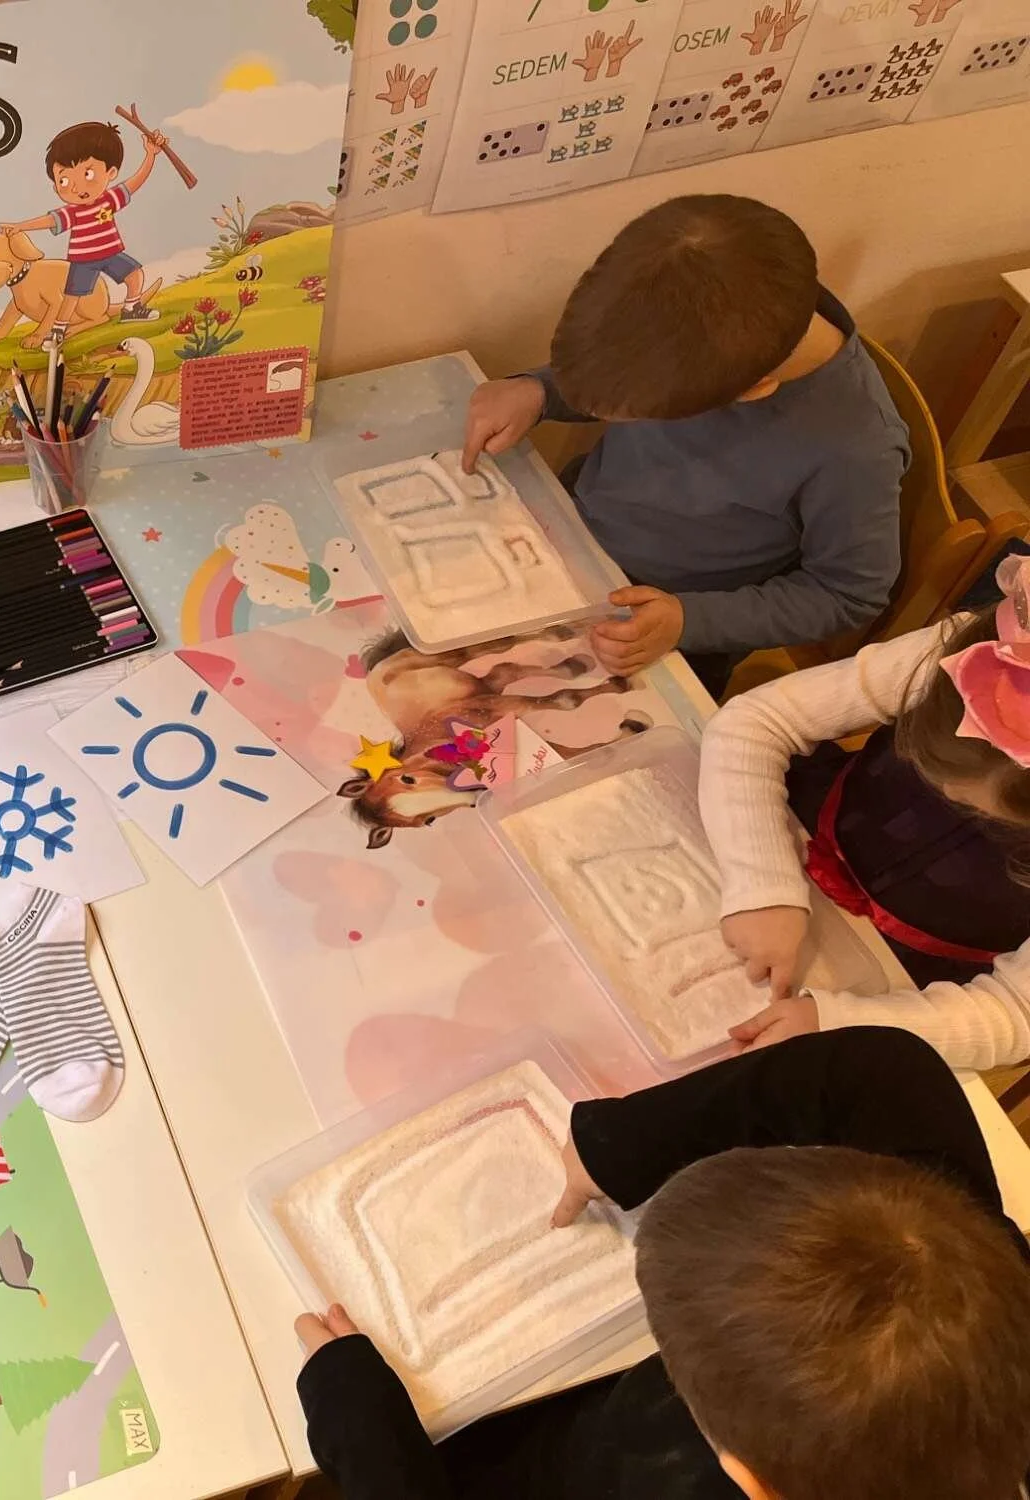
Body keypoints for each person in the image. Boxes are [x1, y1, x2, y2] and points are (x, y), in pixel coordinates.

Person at [295, 1027, 1030, 1500]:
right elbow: (884, 1068)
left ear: (747, 1477)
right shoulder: (959, 1244)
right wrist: (616, 1142)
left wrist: (364, 1438)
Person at [459, 195, 908, 694]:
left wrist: (686, 620)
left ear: (750, 392)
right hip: (568, 540)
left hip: (661, 633)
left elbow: (849, 593)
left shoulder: (853, 450)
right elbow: (630, 373)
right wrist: (540, 390)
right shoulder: (716, 301)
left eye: (646, 416)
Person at [699, 555, 1030, 1068]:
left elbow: (1013, 1014)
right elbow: (758, 720)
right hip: (802, 828)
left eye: (982, 813)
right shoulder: (982, 652)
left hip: (908, 977)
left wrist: (837, 1024)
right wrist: (762, 881)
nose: (948, 798)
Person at [0, 119, 162, 339]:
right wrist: (20, 227)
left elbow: (136, 181)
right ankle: (58, 329)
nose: (76, 187)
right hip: (83, 260)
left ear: (111, 172)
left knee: (134, 275)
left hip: (110, 254)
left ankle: (131, 308)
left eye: (87, 174)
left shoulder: (109, 199)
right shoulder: (72, 212)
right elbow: (48, 221)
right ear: (55, 185)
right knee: (72, 296)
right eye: (64, 180)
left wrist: (150, 155)